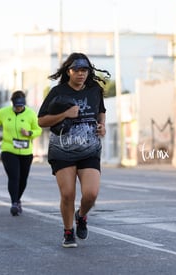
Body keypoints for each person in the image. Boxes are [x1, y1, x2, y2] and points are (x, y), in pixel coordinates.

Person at [37, 52, 109, 248]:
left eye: (84, 70)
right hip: (62, 150)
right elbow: (41, 120)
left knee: (91, 193)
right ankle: (68, 232)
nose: (81, 74)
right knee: (68, 194)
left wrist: (102, 125)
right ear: (68, 71)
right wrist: (65, 114)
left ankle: (81, 215)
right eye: (76, 70)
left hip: (90, 149)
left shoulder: (94, 90)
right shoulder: (57, 92)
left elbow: (101, 111)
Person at [0, 90, 42, 216]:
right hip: (9, 150)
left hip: (26, 152)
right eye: (16, 106)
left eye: (21, 105)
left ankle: (18, 199)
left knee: (23, 179)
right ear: (12, 103)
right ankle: (14, 203)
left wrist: (29, 133)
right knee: (14, 177)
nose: (19, 108)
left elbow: (38, 129)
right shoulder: (4, 112)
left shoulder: (31, 114)